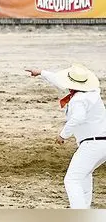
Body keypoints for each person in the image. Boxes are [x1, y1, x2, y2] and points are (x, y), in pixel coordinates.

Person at [26, 64, 106, 208]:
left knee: (72, 180)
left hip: (92, 145)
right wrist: (41, 72)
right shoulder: (93, 93)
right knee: (84, 175)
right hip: (102, 144)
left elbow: (78, 118)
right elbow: (59, 80)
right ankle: (84, 209)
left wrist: (63, 135)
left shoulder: (79, 100)